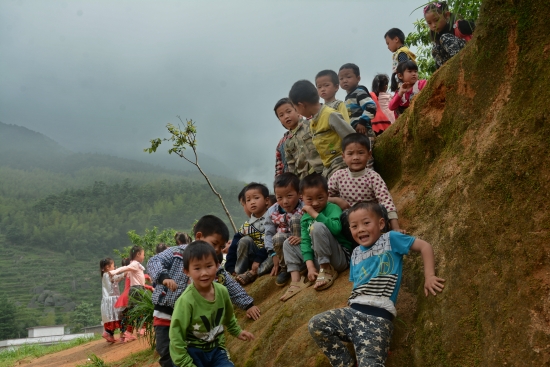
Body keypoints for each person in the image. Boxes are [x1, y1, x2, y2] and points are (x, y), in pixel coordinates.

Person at [308, 202, 445, 366]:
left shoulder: (390, 239)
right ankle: (346, 364)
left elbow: (424, 246)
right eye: (354, 226)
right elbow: (358, 285)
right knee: (316, 324)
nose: (360, 229)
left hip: (377, 322)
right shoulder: (356, 253)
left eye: (366, 223)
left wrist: (429, 275)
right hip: (352, 315)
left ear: (381, 224)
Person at [148, 215, 260, 367]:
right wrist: (163, 277)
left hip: (192, 321)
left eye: (220, 247)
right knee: (168, 354)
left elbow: (230, 285)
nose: (217, 249)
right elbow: (154, 261)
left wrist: (248, 304)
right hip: (166, 315)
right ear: (199, 236)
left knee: (191, 353)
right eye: (214, 243)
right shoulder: (178, 252)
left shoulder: (214, 266)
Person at [170, 241, 255, 367]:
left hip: (216, 350)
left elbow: (228, 316)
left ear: (217, 265)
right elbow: (176, 335)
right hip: (192, 353)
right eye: (197, 268)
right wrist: (186, 363)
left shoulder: (222, 291)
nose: (204, 273)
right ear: (187, 271)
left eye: (209, 266)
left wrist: (237, 331)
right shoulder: (185, 301)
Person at [280, 173, 352, 301]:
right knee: (288, 243)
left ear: (327, 195)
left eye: (320, 198)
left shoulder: (332, 208)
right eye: (309, 199)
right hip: (319, 257)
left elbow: (336, 229)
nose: (315, 203)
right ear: (302, 198)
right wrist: (310, 267)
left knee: (317, 227)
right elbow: (306, 242)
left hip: (339, 258)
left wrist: (315, 214)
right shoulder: (305, 217)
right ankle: (296, 281)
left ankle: (326, 269)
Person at [329, 133, 403, 246]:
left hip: (371, 218)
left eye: (360, 153)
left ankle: (381, 242)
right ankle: (356, 248)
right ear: (343, 156)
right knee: (343, 216)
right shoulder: (338, 176)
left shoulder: (373, 176)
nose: (355, 157)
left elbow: (386, 201)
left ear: (369, 155)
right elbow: (324, 197)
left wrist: (396, 227)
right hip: (352, 221)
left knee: (381, 208)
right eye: (350, 153)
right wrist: (336, 200)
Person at [289, 80, 355, 178]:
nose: (297, 111)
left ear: (302, 105)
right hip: (327, 167)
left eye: (295, 108)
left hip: (340, 163)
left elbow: (352, 137)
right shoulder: (313, 122)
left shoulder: (330, 115)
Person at [264, 172, 304, 287]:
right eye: (279, 197)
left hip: (302, 241)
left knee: (296, 219)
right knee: (277, 237)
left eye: (289, 196)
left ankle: (304, 261)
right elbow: (268, 233)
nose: (285, 201)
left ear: (299, 193)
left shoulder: (304, 206)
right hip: (284, 242)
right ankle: (285, 267)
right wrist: (273, 254)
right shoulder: (272, 211)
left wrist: (303, 238)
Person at [231, 183, 272, 285]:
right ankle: (239, 274)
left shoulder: (274, 218)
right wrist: (230, 266)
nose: (252, 202)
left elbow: (271, 242)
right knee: (244, 240)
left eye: (256, 198)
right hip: (253, 258)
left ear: (266, 201)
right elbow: (234, 245)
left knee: (277, 249)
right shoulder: (246, 225)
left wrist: (259, 258)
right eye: (248, 200)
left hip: (268, 255)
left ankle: (253, 273)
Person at [273, 98, 324, 179]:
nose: (286, 116)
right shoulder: (286, 142)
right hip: (304, 181)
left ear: (297, 110)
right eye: (281, 115)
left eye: (289, 111)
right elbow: (291, 166)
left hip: (323, 171)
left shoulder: (311, 124)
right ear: (280, 120)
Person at [338, 63, 377, 169]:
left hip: (364, 131)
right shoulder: (349, 96)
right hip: (357, 133)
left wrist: (362, 122)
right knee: (358, 157)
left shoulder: (359, 92)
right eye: (341, 78)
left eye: (348, 77)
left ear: (358, 78)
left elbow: (371, 106)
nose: (344, 80)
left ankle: (371, 179)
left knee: (366, 157)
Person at [109, 246, 147, 342]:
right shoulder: (134, 264)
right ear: (138, 254)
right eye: (143, 254)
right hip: (138, 289)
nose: (144, 256)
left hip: (134, 289)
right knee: (144, 309)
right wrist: (114, 272)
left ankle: (128, 332)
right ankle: (143, 328)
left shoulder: (135, 265)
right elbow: (125, 268)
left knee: (134, 312)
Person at [424, 1, 475, 69]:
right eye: (429, 23)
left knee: (444, 38)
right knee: (435, 49)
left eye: (436, 20)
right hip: (452, 67)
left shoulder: (459, 25)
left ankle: (459, 63)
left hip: (468, 54)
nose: (433, 25)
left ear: (447, 15)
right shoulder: (437, 41)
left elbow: (480, 29)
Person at [100, 257, 125, 343]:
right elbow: (116, 279)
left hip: (107, 300)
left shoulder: (104, 275)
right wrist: (123, 274)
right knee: (117, 316)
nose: (114, 268)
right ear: (107, 267)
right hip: (113, 300)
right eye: (113, 266)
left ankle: (109, 334)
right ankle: (109, 333)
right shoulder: (109, 274)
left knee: (111, 318)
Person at [384, 27, 417, 94]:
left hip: (405, 86)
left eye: (388, 43)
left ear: (396, 39)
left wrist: (404, 85)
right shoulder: (400, 52)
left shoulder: (402, 53)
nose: (388, 47)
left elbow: (404, 68)